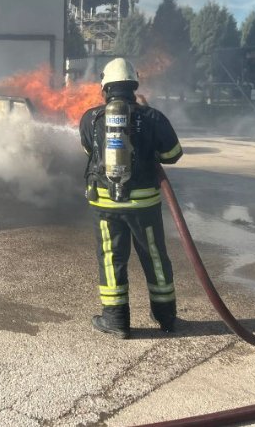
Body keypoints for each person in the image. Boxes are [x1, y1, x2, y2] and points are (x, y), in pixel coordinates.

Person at [78, 58, 183, 339]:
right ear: (134, 86)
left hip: (104, 203)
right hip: (144, 204)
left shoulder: (90, 117)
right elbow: (173, 155)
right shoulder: (153, 117)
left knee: (112, 259)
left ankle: (116, 320)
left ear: (105, 88)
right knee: (155, 257)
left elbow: (90, 153)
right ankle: (166, 316)